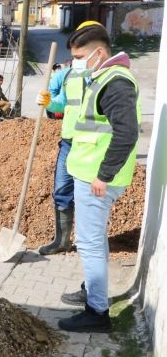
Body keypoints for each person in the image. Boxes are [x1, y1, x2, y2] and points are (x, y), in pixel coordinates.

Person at [57, 22, 140, 333]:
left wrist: (104, 175)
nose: (75, 62)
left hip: (97, 179)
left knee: (89, 244)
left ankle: (97, 312)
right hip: (89, 173)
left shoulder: (116, 82)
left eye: (79, 56)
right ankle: (92, 290)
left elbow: (127, 133)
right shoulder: (102, 75)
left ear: (99, 53)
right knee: (94, 241)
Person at [35, 23, 100, 256]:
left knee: (88, 196)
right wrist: (48, 103)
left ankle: (89, 244)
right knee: (62, 190)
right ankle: (61, 240)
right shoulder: (70, 75)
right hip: (68, 142)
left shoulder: (105, 75)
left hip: (92, 145)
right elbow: (63, 103)